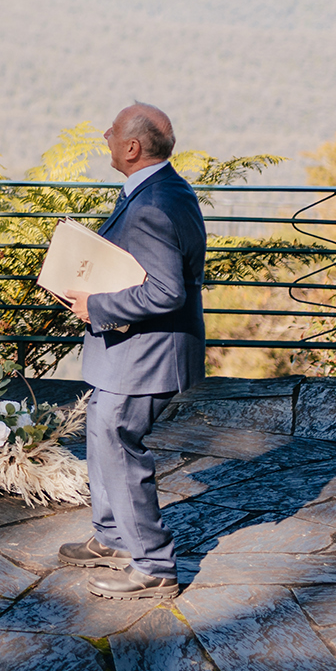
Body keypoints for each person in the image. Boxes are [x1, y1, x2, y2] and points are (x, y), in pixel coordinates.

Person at [58, 103, 205, 599]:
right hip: (129, 352)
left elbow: (167, 291)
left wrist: (96, 305)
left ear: (132, 148)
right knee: (102, 437)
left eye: (113, 130)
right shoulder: (161, 189)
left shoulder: (152, 205)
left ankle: (154, 564)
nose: (105, 133)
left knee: (119, 446)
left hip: (143, 355)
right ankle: (114, 538)